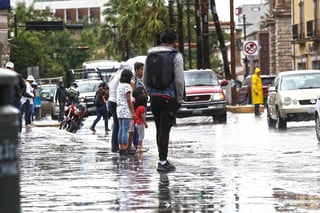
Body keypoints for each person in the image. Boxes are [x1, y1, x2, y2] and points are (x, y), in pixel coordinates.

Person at [143, 28, 185, 172]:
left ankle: (162, 159)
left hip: (154, 98)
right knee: (165, 130)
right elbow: (179, 79)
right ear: (174, 41)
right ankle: (162, 162)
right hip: (169, 97)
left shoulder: (150, 54)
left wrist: (150, 93)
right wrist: (179, 98)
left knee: (159, 128)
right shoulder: (175, 56)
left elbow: (145, 78)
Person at [108, 62, 132, 153]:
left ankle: (117, 147)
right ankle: (117, 147)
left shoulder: (116, 76)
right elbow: (124, 93)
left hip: (112, 101)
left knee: (118, 125)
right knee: (119, 126)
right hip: (115, 102)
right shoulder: (120, 77)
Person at [116, 69, 136, 156]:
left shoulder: (119, 85)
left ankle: (121, 148)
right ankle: (125, 148)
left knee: (120, 129)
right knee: (125, 130)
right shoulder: (127, 87)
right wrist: (133, 112)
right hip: (126, 110)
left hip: (119, 110)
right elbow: (128, 100)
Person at [6, 61, 26, 132]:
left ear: (13, 69)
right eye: (7, 68)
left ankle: (18, 131)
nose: (9, 69)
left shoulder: (18, 76)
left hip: (16, 100)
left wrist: (20, 94)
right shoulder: (4, 77)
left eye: (10, 68)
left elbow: (24, 86)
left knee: (17, 116)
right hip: (7, 101)